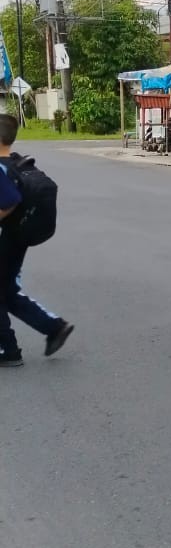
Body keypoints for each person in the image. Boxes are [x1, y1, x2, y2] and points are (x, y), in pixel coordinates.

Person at [0, 113, 72, 365]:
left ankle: (7, 350)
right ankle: (53, 328)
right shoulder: (14, 162)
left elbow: (9, 200)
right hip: (16, 237)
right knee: (7, 292)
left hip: (5, 238)